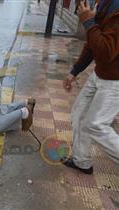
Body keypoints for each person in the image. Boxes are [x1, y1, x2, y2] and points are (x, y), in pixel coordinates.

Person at [62, 0, 119, 174]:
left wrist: (88, 21)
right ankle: (82, 161)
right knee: (79, 114)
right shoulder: (104, 4)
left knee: (96, 125)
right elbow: (93, 41)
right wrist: (74, 72)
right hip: (100, 73)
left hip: (115, 80)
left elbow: (106, 51)